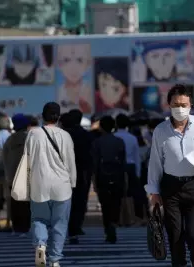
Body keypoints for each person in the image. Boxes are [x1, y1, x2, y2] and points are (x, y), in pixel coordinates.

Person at [146, 84, 194, 267]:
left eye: (184, 104)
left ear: (190, 106)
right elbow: (155, 162)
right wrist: (154, 192)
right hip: (170, 187)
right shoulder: (161, 130)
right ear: (169, 105)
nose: (180, 108)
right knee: (174, 234)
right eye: (176, 104)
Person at [27, 102, 76, 267]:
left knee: (39, 219)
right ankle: (55, 260)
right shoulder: (66, 136)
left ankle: (41, 245)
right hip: (62, 186)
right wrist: (73, 182)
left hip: (39, 183)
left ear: (42, 116)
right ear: (58, 117)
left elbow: (28, 160)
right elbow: (70, 163)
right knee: (60, 224)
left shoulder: (33, 134)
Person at [91, 116, 126, 243]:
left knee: (105, 205)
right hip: (117, 175)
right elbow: (123, 162)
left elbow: (94, 164)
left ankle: (108, 228)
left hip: (102, 176)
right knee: (116, 203)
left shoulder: (97, 142)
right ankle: (113, 223)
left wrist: (94, 181)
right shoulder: (119, 141)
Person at [65, 109, 93, 244]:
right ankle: (77, 226)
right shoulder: (87, 135)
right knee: (80, 201)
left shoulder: (65, 135)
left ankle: (69, 227)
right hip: (82, 172)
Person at [3, 114, 31, 236]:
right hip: (26, 177)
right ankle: (25, 228)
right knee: (26, 204)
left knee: (14, 204)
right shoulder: (30, 138)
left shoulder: (10, 140)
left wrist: (8, 175)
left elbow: (4, 158)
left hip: (12, 177)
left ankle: (16, 227)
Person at [114, 114, 142, 221]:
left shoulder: (114, 136)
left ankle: (120, 217)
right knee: (131, 194)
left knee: (118, 193)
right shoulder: (132, 138)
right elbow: (137, 156)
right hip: (131, 166)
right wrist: (138, 173)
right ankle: (131, 217)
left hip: (118, 167)